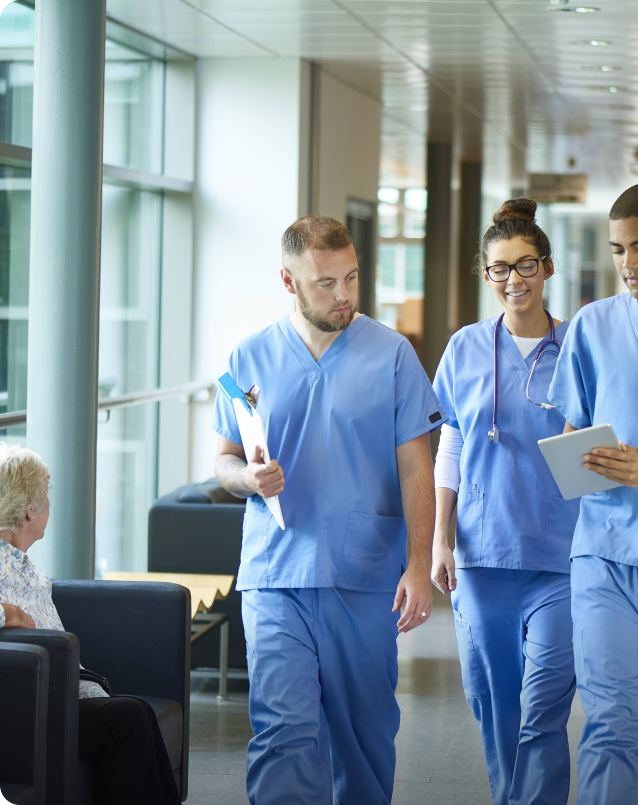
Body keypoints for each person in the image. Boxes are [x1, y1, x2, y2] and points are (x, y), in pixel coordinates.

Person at [213, 214, 445, 805]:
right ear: (289, 282)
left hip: (363, 572)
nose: (343, 295)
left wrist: (419, 567)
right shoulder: (250, 356)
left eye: (352, 278)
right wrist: (248, 477)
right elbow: (224, 459)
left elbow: (418, 465)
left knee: (363, 737)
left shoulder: (392, 354)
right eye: (326, 283)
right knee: (283, 730)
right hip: (276, 572)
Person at [548, 183, 638, 805]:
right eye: (617, 251)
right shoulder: (593, 325)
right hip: (604, 554)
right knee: (611, 721)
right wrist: (579, 458)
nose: (628, 264)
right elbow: (570, 428)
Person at [431, 198, 580, 805]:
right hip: (483, 552)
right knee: (492, 698)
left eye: (526, 265)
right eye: (499, 268)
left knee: (545, 700)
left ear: (547, 268)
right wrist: (440, 537)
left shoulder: (578, 346)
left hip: (562, 553)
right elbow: (452, 441)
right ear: (484, 273)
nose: (513, 280)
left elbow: (597, 435)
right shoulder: (465, 347)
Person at [0, 443, 180, 805]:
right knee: (129, 717)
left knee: (133, 713)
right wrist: (10, 615)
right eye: (46, 498)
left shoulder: (28, 568)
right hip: (37, 700)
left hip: (71, 691)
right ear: (30, 511)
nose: (51, 505)